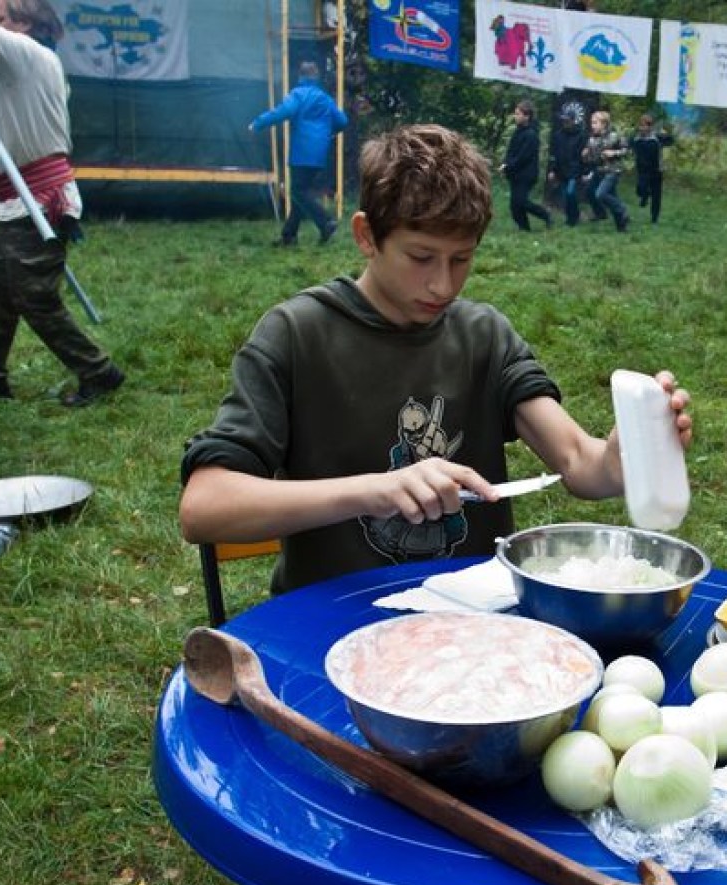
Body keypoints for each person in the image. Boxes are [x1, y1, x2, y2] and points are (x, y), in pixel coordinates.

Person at [179, 122, 692, 598]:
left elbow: (580, 466)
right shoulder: (296, 335)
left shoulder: (483, 335)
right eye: (421, 258)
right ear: (366, 236)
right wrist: (375, 491)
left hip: (473, 617)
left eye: (461, 259)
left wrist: (626, 456)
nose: (442, 285)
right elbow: (205, 507)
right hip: (333, 617)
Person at [0, 0, 124, 406]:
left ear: (31, 24)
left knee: (34, 297)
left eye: (5, 18)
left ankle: (98, 372)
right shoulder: (10, 68)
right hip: (6, 197)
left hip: (36, 199)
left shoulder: (30, 57)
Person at [249, 60, 348, 247]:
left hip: (302, 151)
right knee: (300, 193)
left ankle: (326, 221)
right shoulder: (324, 98)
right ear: (316, 76)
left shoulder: (298, 94)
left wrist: (258, 123)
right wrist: (329, 131)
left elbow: (282, 112)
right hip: (319, 154)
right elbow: (342, 121)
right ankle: (289, 237)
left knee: (298, 191)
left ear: (300, 76)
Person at [499, 99, 552, 232]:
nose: (515, 116)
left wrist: (508, 166)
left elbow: (523, 156)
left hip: (526, 174)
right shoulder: (518, 131)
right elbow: (511, 151)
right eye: (515, 113)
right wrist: (506, 163)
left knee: (521, 201)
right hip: (516, 173)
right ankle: (524, 228)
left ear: (526, 116)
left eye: (518, 114)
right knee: (515, 206)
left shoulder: (531, 134)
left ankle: (544, 214)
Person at [582, 110, 629, 232]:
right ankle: (621, 226)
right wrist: (585, 155)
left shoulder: (615, 136)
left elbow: (627, 151)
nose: (592, 125)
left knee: (601, 194)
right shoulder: (591, 139)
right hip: (599, 171)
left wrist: (614, 153)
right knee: (592, 192)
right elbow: (593, 160)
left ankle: (622, 209)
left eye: (595, 123)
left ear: (604, 124)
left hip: (613, 171)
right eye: (591, 123)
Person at [630, 114, 674, 225]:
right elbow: (628, 145)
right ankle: (644, 196)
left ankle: (654, 218)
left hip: (656, 170)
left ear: (650, 127)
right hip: (642, 170)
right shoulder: (636, 138)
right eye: (641, 126)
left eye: (645, 126)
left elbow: (671, 140)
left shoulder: (657, 138)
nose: (643, 128)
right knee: (640, 189)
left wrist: (666, 132)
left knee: (656, 195)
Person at [547, 107, 586, 227]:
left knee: (570, 193)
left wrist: (585, 171)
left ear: (574, 121)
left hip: (575, 170)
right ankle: (571, 218)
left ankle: (573, 218)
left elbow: (584, 156)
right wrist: (552, 170)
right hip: (561, 170)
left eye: (567, 121)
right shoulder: (558, 135)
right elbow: (553, 154)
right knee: (565, 196)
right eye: (564, 120)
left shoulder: (581, 135)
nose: (565, 123)